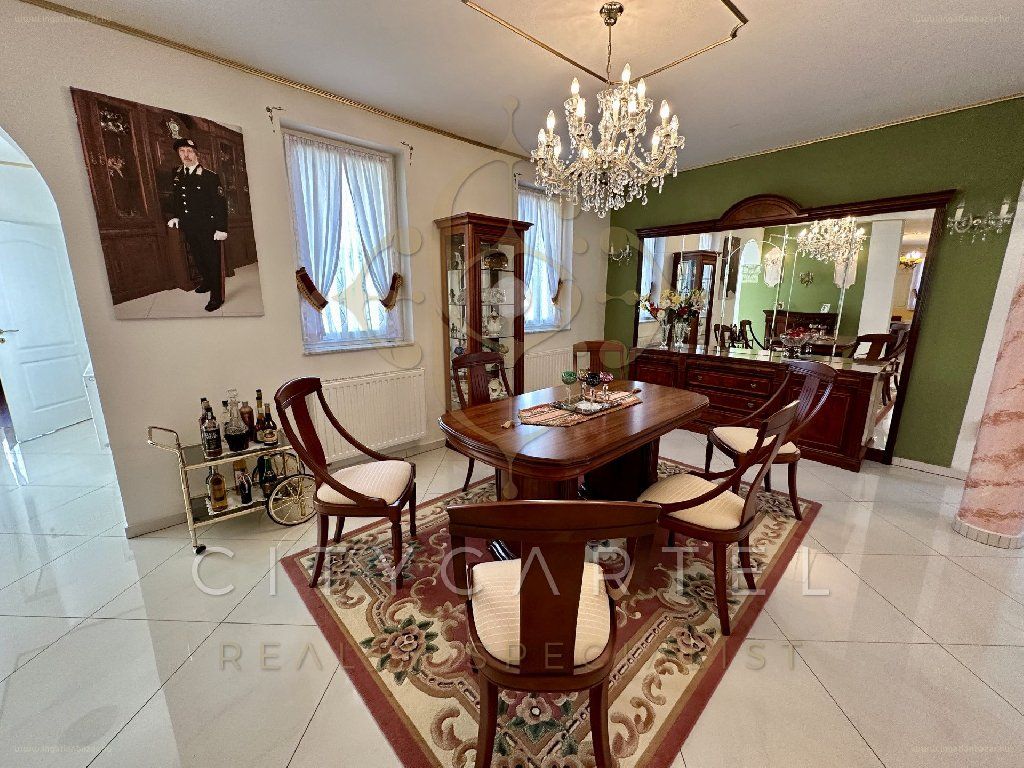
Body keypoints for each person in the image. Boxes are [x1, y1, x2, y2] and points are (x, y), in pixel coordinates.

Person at [166, 138, 229, 312]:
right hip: (189, 226)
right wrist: (176, 216)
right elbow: (177, 197)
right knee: (199, 258)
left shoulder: (210, 176)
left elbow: (220, 204)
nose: (186, 155)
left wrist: (221, 228)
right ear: (179, 154)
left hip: (208, 227)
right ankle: (207, 282)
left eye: (189, 151)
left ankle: (217, 296)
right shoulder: (177, 173)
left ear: (196, 154)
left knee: (212, 261)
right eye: (182, 151)